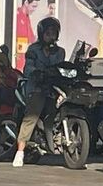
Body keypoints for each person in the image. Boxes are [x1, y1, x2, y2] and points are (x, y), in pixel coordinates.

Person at [12, 17, 65, 167]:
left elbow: (61, 67)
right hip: (37, 87)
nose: (51, 36)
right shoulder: (33, 49)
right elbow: (28, 67)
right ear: (42, 34)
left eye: (53, 33)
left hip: (54, 87)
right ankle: (20, 152)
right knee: (32, 116)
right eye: (48, 33)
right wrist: (36, 72)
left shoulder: (60, 52)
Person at [16, 0, 41, 71]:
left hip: (26, 61)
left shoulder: (27, 17)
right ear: (26, 3)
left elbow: (31, 38)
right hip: (19, 62)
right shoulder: (17, 17)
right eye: (33, 6)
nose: (34, 9)